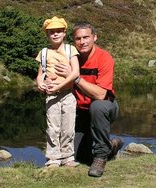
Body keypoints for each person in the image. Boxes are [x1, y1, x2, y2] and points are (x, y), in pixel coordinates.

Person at [54, 22, 123, 177]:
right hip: (80, 112)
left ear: (94, 37)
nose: (82, 42)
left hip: (104, 107)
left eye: (86, 37)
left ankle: (100, 157)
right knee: (78, 157)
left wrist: (75, 77)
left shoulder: (104, 58)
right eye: (78, 38)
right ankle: (111, 147)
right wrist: (44, 84)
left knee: (97, 106)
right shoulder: (71, 58)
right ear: (73, 41)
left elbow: (100, 95)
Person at [35, 16, 80, 167]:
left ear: (64, 33)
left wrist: (60, 86)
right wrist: (40, 84)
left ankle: (68, 158)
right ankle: (53, 158)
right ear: (47, 34)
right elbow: (40, 74)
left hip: (68, 94)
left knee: (68, 127)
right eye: (51, 32)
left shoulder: (70, 49)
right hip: (51, 96)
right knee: (53, 127)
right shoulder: (44, 52)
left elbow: (75, 73)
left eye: (58, 31)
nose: (55, 34)